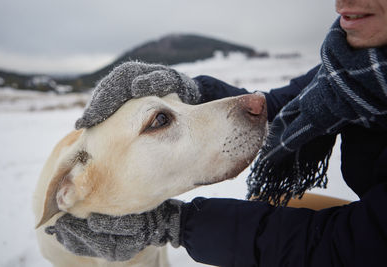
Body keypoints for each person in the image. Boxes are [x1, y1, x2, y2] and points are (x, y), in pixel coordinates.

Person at [46, 0, 387, 266]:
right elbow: (284, 102)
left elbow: (355, 248)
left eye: (159, 122)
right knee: (265, 211)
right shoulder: (356, 64)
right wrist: (188, 90)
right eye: (160, 122)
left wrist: (175, 226)